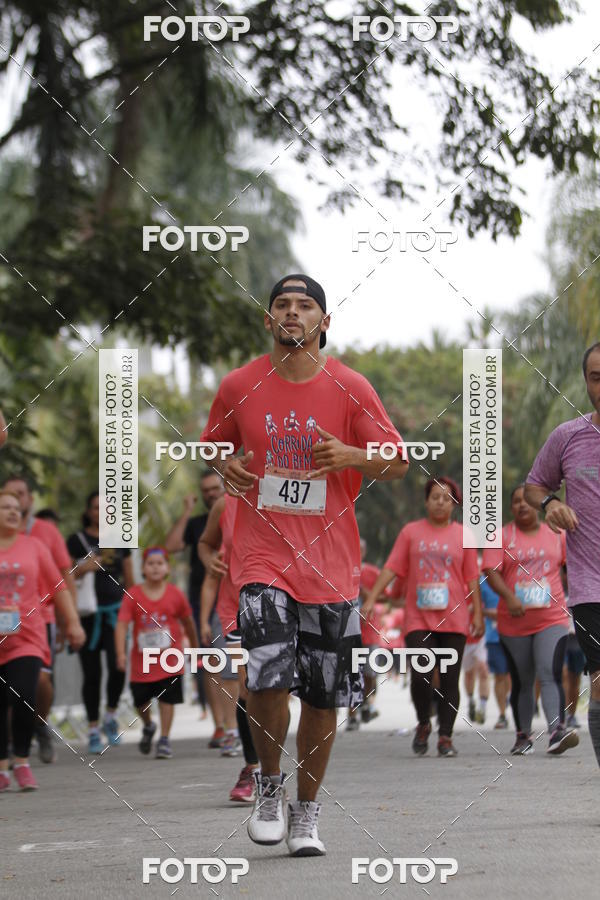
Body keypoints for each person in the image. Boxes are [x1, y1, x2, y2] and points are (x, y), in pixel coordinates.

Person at [201, 273, 408, 856]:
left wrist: (351, 455)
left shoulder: (351, 386)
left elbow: (396, 461)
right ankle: (269, 786)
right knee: (266, 673)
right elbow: (213, 444)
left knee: (322, 698)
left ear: (324, 321)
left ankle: (306, 813)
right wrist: (224, 465)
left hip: (330, 567)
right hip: (261, 559)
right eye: (282, 305)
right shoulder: (239, 384)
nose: (293, 313)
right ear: (268, 319)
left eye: (305, 305)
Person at [363, 477, 484, 757]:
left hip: (454, 617)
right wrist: (371, 597)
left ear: (454, 504)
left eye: (446, 498)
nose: (440, 502)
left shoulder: (464, 535)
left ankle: (445, 737)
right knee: (421, 676)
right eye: (435, 497)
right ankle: (423, 722)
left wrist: (477, 613)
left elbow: (472, 578)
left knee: (450, 679)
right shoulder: (411, 532)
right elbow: (392, 567)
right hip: (418, 618)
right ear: (426, 502)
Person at [524, 341, 600, 766]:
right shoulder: (568, 437)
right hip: (591, 586)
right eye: (596, 377)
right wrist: (551, 503)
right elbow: (534, 485)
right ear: (586, 382)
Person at [483, 485, 577, 755]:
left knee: (550, 672)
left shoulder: (556, 534)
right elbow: (491, 571)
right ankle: (523, 736)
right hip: (515, 622)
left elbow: (571, 567)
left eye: (526, 501)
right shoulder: (500, 536)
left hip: (552, 617)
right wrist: (509, 597)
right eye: (516, 502)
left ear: (537, 505)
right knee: (523, 679)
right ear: (510, 508)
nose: (522, 505)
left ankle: (556, 732)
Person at [0, 489, 85, 790]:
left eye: (16, 508)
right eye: (5, 507)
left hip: (27, 636)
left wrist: (72, 622)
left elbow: (58, 586)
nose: (13, 512)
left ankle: (22, 761)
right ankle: (2, 767)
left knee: (24, 693)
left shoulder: (34, 546)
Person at [199, 494, 261, 802]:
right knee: (245, 686)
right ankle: (253, 768)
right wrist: (208, 558)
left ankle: (271, 768)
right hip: (234, 609)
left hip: (279, 607)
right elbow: (205, 545)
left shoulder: (285, 493)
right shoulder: (226, 504)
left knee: (275, 692)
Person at [67, 492, 134, 754]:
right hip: (87, 615)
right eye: (96, 507)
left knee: (118, 667)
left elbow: (129, 578)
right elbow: (64, 576)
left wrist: (135, 610)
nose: (101, 512)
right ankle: (93, 728)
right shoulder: (76, 540)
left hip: (116, 613)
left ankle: (111, 715)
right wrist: (85, 567)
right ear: (88, 511)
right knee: (92, 673)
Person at [115, 547, 197, 759]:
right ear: (142, 568)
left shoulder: (175, 594)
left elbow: (188, 622)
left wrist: (194, 649)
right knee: (140, 701)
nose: (155, 567)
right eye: (150, 563)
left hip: (170, 660)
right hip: (142, 663)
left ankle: (164, 739)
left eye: (160, 563)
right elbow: (122, 625)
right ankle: (149, 725)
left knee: (167, 698)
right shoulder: (133, 595)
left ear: (167, 568)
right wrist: (120, 654)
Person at [164, 474, 226, 744]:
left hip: (237, 594)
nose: (210, 493)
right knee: (212, 661)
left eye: (215, 488)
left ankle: (241, 723)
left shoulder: (237, 515)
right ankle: (220, 726)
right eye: (205, 490)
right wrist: (187, 511)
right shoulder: (197, 524)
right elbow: (171, 546)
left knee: (239, 660)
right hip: (202, 599)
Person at [347, 538, 386, 731]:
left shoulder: (372, 572)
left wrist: (367, 594)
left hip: (370, 630)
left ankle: (365, 703)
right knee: (352, 674)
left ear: (364, 551)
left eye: (360, 549)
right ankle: (352, 716)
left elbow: (386, 596)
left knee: (369, 674)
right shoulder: (342, 569)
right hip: (347, 630)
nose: (357, 551)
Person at [480, 574, 511, 729]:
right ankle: (502, 714)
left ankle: (509, 698)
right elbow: (475, 606)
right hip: (494, 636)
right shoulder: (483, 582)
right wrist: (489, 613)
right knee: (500, 675)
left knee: (511, 675)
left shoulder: (513, 575)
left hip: (515, 633)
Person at [462, 617, 490, 725]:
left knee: (483, 671)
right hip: (464, 638)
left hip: (480, 637)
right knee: (469, 673)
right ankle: (471, 701)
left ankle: (482, 707)